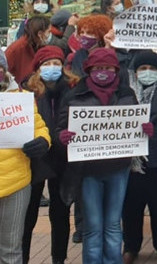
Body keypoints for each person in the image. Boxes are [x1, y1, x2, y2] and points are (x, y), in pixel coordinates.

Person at [57, 48, 147, 264]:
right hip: (88, 171)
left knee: (113, 225)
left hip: (118, 168)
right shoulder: (74, 95)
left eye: (108, 68)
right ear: (89, 70)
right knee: (93, 226)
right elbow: (59, 128)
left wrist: (144, 129)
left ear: (116, 70)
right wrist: (62, 136)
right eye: (98, 68)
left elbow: (135, 124)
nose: (103, 72)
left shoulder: (127, 94)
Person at [20, 46, 79, 264]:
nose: (52, 68)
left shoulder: (74, 88)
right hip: (35, 159)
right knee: (28, 214)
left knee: (61, 213)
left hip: (63, 159)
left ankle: (59, 259)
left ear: (63, 66)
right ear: (38, 68)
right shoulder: (27, 92)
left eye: (56, 63)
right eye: (46, 64)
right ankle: (23, 257)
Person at [122, 51, 157, 264]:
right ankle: (131, 247)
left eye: (152, 69)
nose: (147, 72)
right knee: (131, 208)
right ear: (134, 72)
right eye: (142, 68)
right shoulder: (125, 91)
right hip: (131, 162)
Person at [0, 48, 51, 264]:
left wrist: (42, 141)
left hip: (16, 183)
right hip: (16, 180)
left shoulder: (20, 99)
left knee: (11, 250)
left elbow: (39, 127)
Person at [6, 15, 52, 83]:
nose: (50, 35)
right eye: (49, 32)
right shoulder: (16, 49)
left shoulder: (41, 46)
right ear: (40, 34)